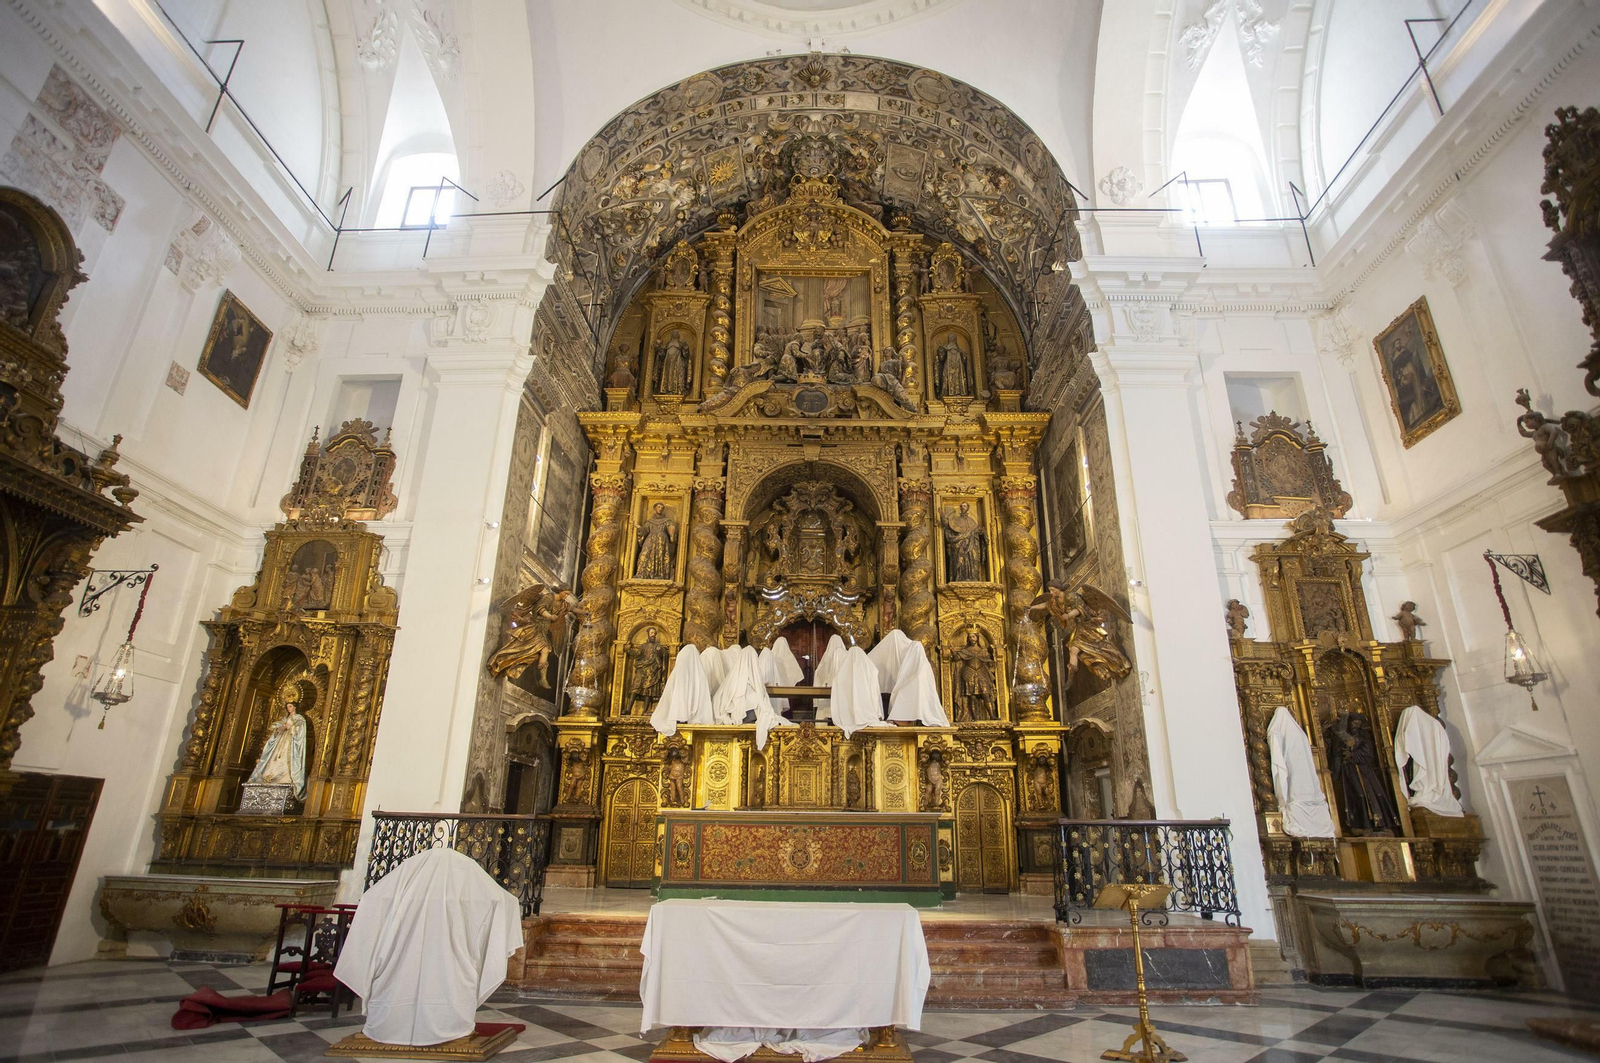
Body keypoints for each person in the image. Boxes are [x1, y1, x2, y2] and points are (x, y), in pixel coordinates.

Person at [333, 849, 523, 1047]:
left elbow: (372, 900)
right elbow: (502, 900)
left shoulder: (407, 878)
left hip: (396, 981)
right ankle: (447, 1023)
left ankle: (393, 1025)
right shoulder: (464, 875)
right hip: (452, 971)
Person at [246, 694, 308, 801]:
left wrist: (291, 728)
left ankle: (286, 780)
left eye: (291, 706)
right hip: (279, 744)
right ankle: (268, 779)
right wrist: (279, 729)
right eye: (287, 706)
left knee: (286, 762)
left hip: (290, 745)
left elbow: (300, 732)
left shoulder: (299, 718)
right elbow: (275, 730)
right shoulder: (284, 719)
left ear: (295, 707)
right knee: (272, 761)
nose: (289, 709)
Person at [950, 631, 996, 722]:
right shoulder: (965, 651)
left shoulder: (982, 651)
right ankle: (974, 717)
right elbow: (956, 658)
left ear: (977, 638)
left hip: (981, 673)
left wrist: (991, 662)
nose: (972, 638)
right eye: (970, 637)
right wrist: (953, 651)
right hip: (969, 673)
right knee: (972, 697)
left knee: (986, 694)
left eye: (973, 637)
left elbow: (988, 659)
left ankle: (992, 715)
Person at [942, 502, 987, 582]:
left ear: (968, 507)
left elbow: (976, 532)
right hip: (960, 547)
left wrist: (980, 532)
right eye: (962, 506)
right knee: (960, 561)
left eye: (965, 506)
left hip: (972, 545)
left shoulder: (971, 521)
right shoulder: (956, 520)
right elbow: (949, 528)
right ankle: (960, 577)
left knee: (972, 559)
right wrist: (943, 517)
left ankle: (972, 577)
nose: (963, 507)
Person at [634, 502, 678, 580]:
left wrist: (672, 533)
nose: (660, 509)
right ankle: (642, 573)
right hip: (650, 540)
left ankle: (660, 575)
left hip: (662, 541)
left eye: (662, 508)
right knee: (644, 555)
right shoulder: (650, 521)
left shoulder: (667, 521)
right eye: (658, 507)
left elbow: (671, 530)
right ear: (655, 508)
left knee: (660, 556)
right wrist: (639, 528)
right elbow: (644, 531)